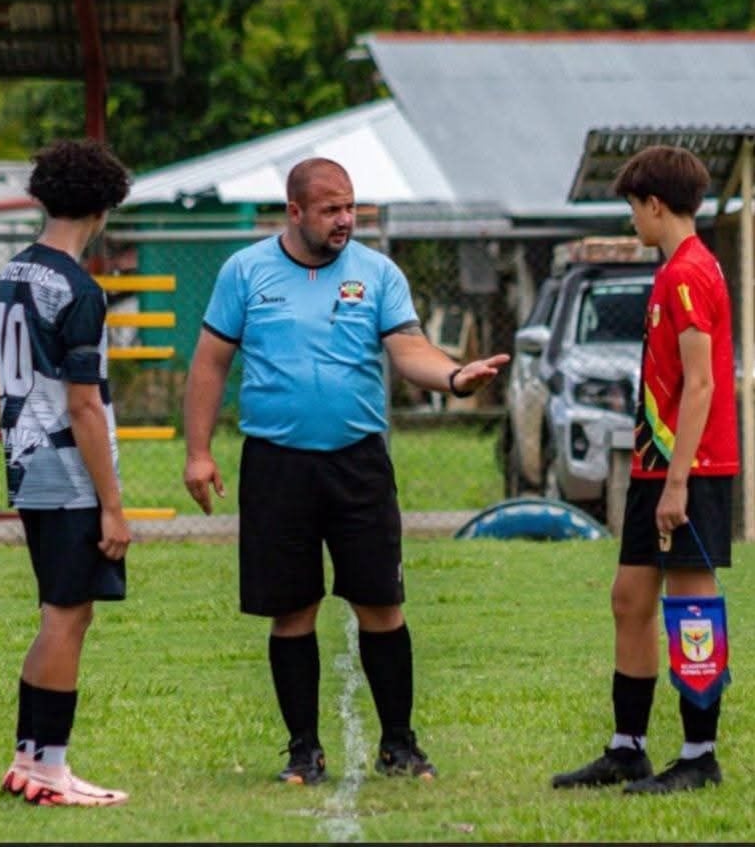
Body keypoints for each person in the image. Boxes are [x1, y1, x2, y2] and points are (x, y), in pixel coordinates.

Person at [183, 157, 509, 785]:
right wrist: (198, 452)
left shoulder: (377, 273)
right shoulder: (245, 272)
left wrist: (453, 375)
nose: (345, 220)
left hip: (358, 463)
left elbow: (409, 347)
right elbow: (209, 363)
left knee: (381, 603)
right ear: (295, 211)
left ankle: (400, 745)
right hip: (276, 465)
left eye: (351, 207)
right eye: (331, 209)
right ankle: (303, 749)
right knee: (292, 609)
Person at [551, 145, 739, 794]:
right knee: (629, 600)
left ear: (654, 205)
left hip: (689, 469)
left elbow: (700, 386)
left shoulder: (687, 274)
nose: (632, 220)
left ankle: (697, 755)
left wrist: (680, 480)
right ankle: (626, 747)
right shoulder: (675, 272)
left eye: (633, 208)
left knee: (690, 604)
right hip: (657, 467)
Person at [0, 138, 132, 807]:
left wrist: (15, 416)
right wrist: (113, 506)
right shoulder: (80, 290)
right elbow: (84, 405)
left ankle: (29, 761)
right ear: (103, 209)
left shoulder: (12, 275)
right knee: (67, 614)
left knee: (59, 612)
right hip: (68, 472)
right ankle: (49, 771)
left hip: (30, 467)